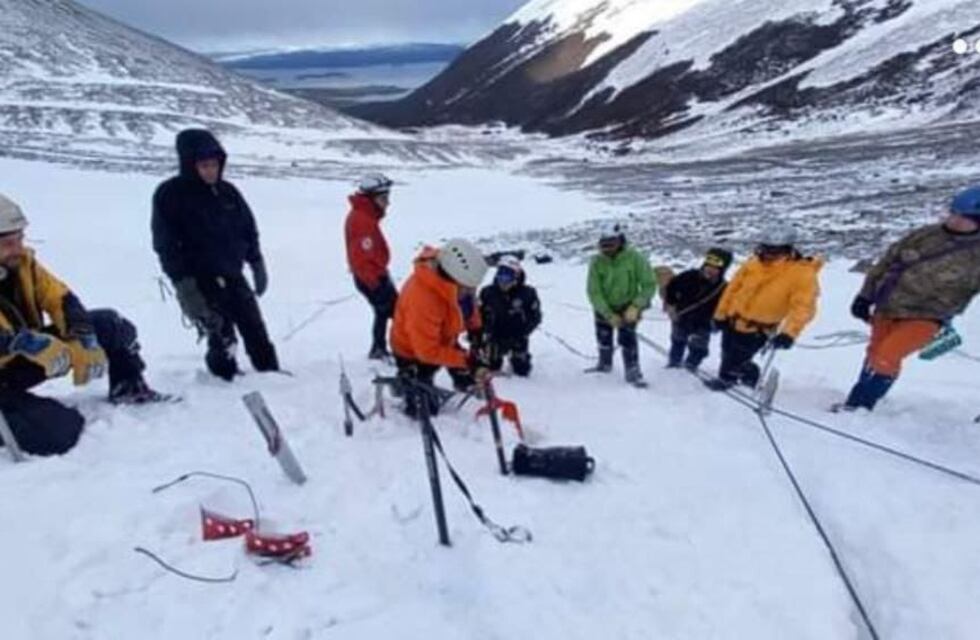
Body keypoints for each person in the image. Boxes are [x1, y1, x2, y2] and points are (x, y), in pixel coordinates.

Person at [0, 194, 165, 457]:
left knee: (110, 324)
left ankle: (128, 388)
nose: (18, 248)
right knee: (58, 434)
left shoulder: (23, 264)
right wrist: (21, 343)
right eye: (9, 243)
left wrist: (82, 336)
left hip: (23, 359)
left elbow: (60, 298)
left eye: (20, 239)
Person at [152, 129, 279, 381]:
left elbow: (247, 228)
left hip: (233, 273)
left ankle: (271, 374)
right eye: (204, 165)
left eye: (215, 165)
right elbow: (165, 245)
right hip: (200, 279)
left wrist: (256, 261)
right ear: (190, 165)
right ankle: (224, 382)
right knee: (221, 334)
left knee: (255, 328)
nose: (211, 170)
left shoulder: (228, 192)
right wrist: (185, 286)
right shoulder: (170, 195)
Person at [839, 187, 980, 411]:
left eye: (963, 217)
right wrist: (864, 296)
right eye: (953, 213)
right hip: (888, 306)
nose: (954, 220)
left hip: (928, 316)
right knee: (875, 354)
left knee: (886, 356)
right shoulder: (926, 235)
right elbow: (887, 262)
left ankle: (861, 405)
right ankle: (857, 401)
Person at [708, 224, 822, 391]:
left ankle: (738, 380)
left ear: (787, 249)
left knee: (739, 359)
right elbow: (732, 289)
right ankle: (729, 378)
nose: (769, 254)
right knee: (727, 353)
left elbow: (803, 307)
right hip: (733, 320)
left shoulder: (802, 274)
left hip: (759, 328)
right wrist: (720, 315)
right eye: (766, 248)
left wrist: (789, 333)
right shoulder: (752, 264)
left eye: (775, 250)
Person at [390, 239, 490, 417]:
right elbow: (427, 352)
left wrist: (476, 330)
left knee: (467, 372)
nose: (471, 292)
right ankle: (405, 382)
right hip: (413, 352)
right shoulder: (422, 300)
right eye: (468, 289)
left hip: (444, 338)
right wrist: (468, 360)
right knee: (424, 411)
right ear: (453, 279)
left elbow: (468, 305)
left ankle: (464, 384)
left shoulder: (457, 284)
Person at [586, 223, 656, 386]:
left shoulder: (635, 257)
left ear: (620, 242)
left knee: (628, 339)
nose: (607, 249)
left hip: (628, 306)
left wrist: (636, 306)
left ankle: (633, 371)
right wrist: (607, 313)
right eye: (603, 246)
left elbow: (649, 284)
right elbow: (594, 291)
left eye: (610, 244)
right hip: (604, 307)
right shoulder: (596, 262)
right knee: (603, 338)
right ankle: (604, 364)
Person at [345, 173, 397, 360]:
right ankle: (386, 349)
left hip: (375, 275)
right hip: (372, 278)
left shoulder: (364, 216)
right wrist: (375, 284)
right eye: (384, 198)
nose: (387, 203)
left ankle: (379, 348)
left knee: (384, 312)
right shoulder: (362, 221)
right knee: (393, 312)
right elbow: (361, 259)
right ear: (371, 199)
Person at [664, 248, 733, 370]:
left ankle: (691, 365)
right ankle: (674, 363)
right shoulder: (688, 276)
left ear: (722, 270)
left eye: (715, 268)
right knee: (677, 341)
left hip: (704, 323)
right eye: (708, 265)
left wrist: (719, 322)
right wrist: (671, 305)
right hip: (681, 317)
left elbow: (726, 307)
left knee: (699, 348)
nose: (710, 270)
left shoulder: (724, 288)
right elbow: (671, 287)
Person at [478, 256, 542, 377]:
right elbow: (479, 314)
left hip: (518, 336)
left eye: (507, 277)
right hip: (496, 336)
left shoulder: (528, 293)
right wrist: (486, 331)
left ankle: (520, 357)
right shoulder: (487, 292)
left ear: (516, 277)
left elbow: (536, 316)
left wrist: (524, 332)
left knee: (522, 370)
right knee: (492, 367)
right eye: (500, 276)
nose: (503, 281)